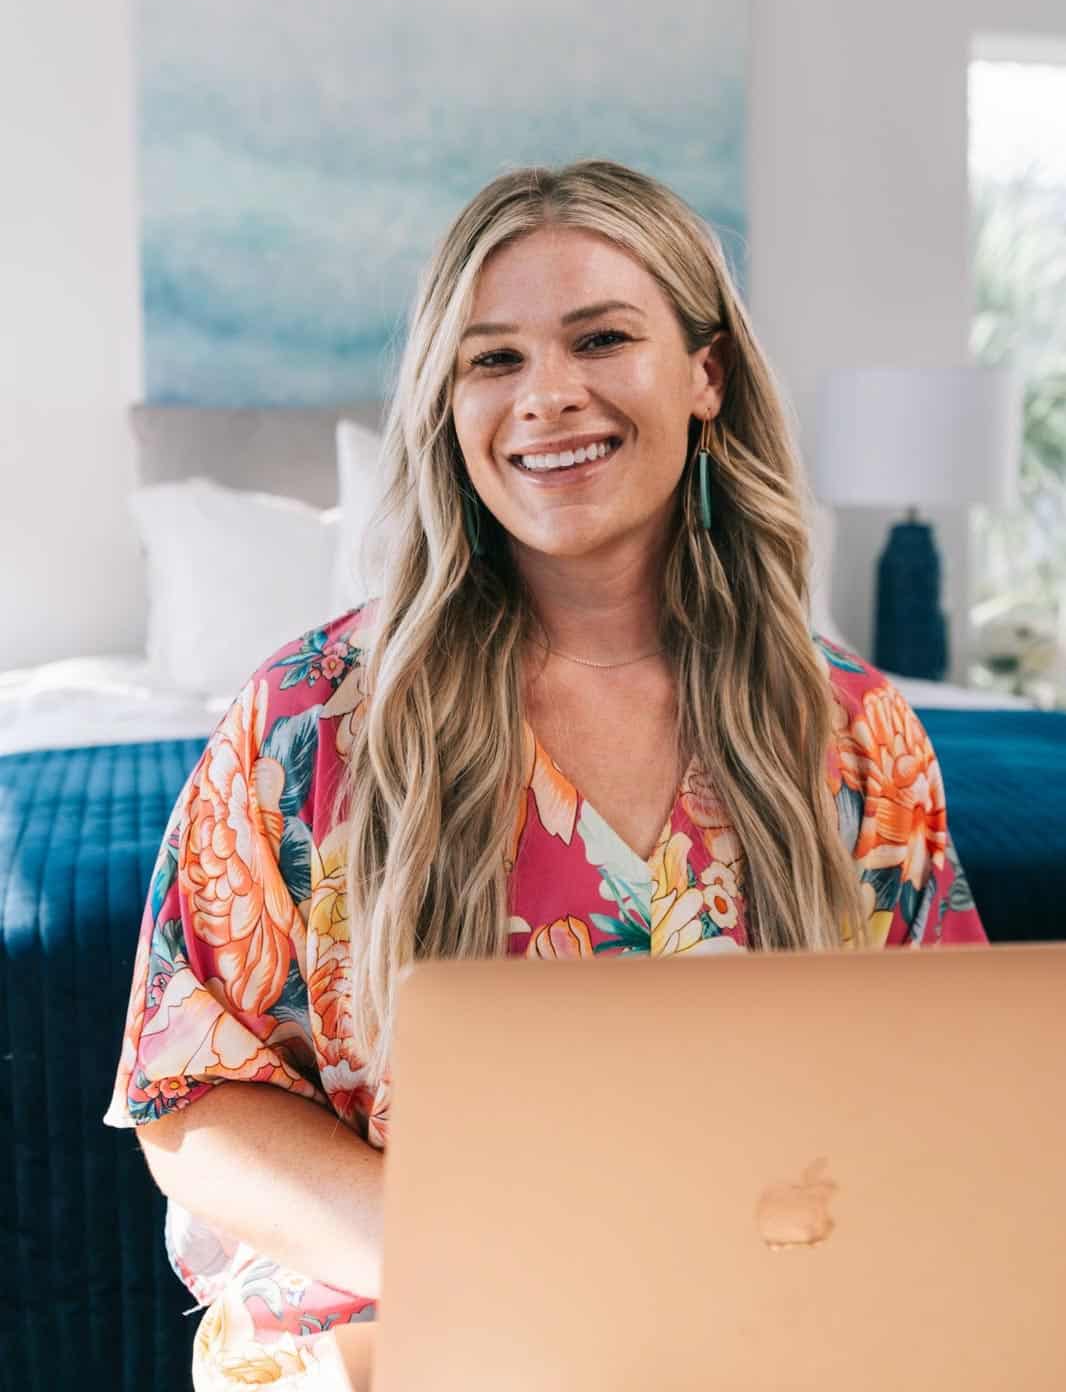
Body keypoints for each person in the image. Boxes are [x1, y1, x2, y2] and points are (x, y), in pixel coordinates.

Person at [105, 160, 988, 1391]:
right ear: (446, 403)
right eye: (493, 359)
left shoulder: (854, 728)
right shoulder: (309, 722)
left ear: (707, 375)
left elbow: (943, 1095)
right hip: (404, 1325)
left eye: (601, 337)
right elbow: (190, 1104)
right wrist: (507, 1273)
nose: (547, 397)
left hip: (762, 1323)